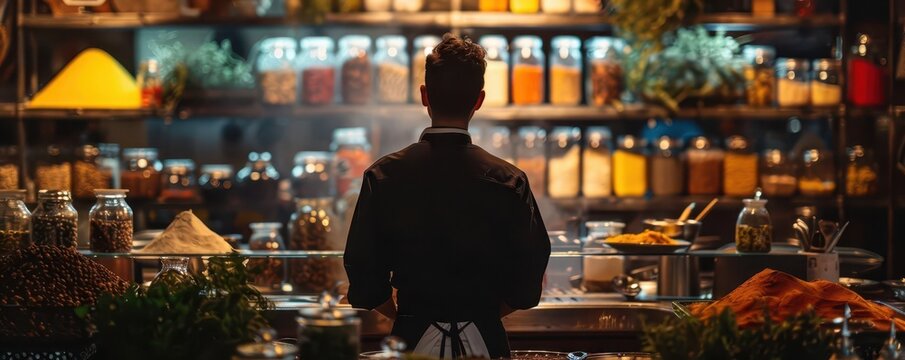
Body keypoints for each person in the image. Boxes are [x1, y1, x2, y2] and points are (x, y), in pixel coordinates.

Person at [343, 33, 551, 359]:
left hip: (409, 340)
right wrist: (480, 315)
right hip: (488, 340)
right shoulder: (510, 180)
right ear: (479, 100)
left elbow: (363, 273)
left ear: (424, 96)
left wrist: (406, 317)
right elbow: (529, 277)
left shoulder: (383, 175)